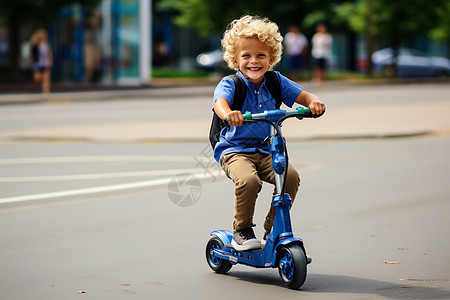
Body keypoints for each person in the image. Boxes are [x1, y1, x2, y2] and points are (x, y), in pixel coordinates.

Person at [212, 15, 325, 251]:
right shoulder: (231, 83)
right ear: (234, 59)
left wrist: (313, 102)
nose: (254, 61)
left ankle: (272, 228)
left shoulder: (276, 81)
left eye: (261, 55)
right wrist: (228, 114)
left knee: (290, 178)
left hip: (266, 149)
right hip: (235, 151)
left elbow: (304, 96)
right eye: (246, 56)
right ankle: (241, 230)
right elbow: (220, 103)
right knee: (248, 180)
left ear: (271, 58)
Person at [30, 29, 52, 94]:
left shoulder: (47, 45)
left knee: (46, 78)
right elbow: (32, 55)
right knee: (37, 78)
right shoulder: (35, 45)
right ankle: (32, 88)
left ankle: (46, 92)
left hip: (45, 64)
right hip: (37, 64)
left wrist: (49, 62)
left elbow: (49, 54)